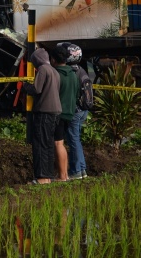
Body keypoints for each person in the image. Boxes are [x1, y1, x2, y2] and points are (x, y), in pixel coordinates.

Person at [22, 47, 60, 184]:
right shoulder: (54, 71)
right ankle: (49, 176)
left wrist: (26, 86)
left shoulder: (43, 70)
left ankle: (41, 177)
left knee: (39, 144)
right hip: (55, 112)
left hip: (44, 112)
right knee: (48, 144)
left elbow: (37, 89)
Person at [59, 42, 91, 179]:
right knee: (76, 138)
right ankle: (82, 169)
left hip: (75, 110)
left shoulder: (70, 72)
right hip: (84, 109)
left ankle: (76, 171)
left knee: (73, 140)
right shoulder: (81, 70)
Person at [50, 45, 77, 182]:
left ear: (53, 59)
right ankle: (64, 174)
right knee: (61, 142)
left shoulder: (56, 74)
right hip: (70, 112)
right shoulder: (73, 74)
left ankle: (62, 175)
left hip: (58, 113)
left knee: (57, 144)